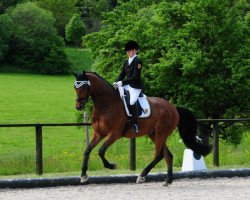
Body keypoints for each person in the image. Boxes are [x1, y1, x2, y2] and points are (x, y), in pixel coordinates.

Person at [113, 40, 143, 133]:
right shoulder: (126, 61)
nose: (127, 53)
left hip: (135, 86)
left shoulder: (138, 61)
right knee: (116, 94)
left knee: (132, 101)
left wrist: (122, 82)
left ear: (134, 51)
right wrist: (116, 82)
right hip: (127, 85)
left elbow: (135, 76)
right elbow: (122, 74)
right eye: (127, 51)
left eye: (129, 51)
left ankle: (135, 123)